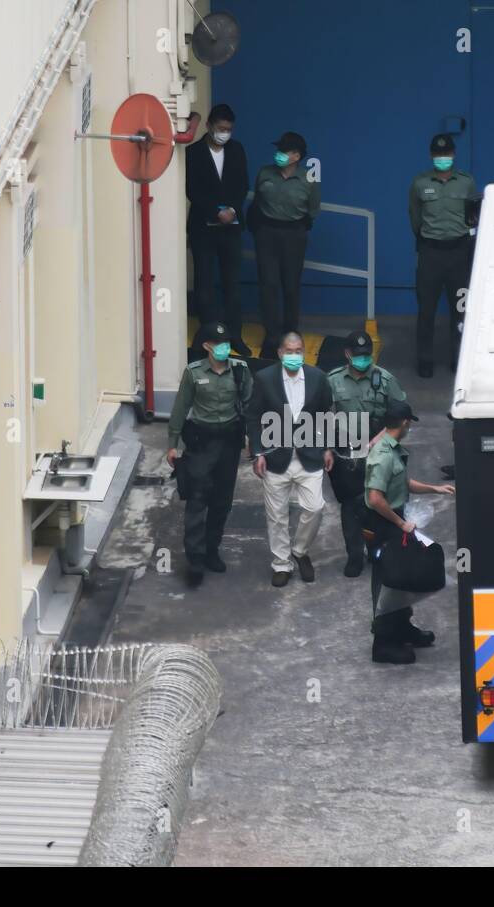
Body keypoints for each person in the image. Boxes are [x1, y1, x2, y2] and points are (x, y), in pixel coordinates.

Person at [362, 400, 455, 664]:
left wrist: (434, 489)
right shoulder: (382, 455)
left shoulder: (392, 451)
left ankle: (402, 627)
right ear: (405, 423)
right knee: (389, 582)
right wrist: (401, 524)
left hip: (394, 520)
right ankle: (383, 644)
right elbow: (376, 498)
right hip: (383, 525)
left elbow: (402, 483)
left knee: (403, 577)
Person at [166, 321, 253, 585]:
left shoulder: (240, 371)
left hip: (228, 444)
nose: (224, 348)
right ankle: (195, 558)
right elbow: (181, 407)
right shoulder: (193, 373)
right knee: (196, 498)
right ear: (206, 346)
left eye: (226, 343)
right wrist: (172, 443)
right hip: (201, 444)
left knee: (222, 500)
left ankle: (212, 550)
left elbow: (249, 405)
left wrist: (252, 438)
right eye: (218, 344)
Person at [246, 331, 333, 587]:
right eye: (289, 351)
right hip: (275, 457)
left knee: (315, 507)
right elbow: (253, 417)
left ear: (303, 352)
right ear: (280, 353)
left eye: (298, 351)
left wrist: (327, 447)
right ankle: (281, 564)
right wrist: (258, 452)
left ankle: (300, 550)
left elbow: (325, 413)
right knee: (276, 516)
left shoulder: (318, 378)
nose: (294, 355)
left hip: (310, 455)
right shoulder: (264, 379)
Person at [328, 330, 406, 578]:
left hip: (379, 452)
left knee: (378, 503)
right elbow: (324, 417)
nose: (362, 360)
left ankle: (377, 550)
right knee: (351, 506)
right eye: (357, 355)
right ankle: (354, 555)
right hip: (347, 455)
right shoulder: (333, 380)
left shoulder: (385, 379)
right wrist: (327, 449)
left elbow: (401, 415)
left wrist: (380, 438)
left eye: (366, 355)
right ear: (347, 354)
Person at [408, 132, 477, 377]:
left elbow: (472, 216)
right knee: (426, 310)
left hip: (459, 254)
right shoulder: (420, 183)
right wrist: (427, 240)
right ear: (431, 156)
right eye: (438, 154)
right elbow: (415, 218)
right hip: (431, 254)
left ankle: (458, 359)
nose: (442, 158)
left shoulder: (466, 182)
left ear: (453, 154)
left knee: (460, 309)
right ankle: (424, 359)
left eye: (446, 154)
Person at [186, 104, 250, 356]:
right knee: (205, 283)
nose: (225, 133)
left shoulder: (237, 150)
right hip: (203, 227)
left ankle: (236, 336)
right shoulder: (193, 153)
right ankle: (209, 336)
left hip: (231, 228)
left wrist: (232, 209)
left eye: (229, 129)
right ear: (209, 126)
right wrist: (215, 212)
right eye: (221, 128)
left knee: (232, 283)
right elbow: (191, 188)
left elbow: (242, 184)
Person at [250, 131, 320, 359]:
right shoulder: (265, 173)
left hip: (294, 235)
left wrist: (296, 227)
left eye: (284, 151)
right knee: (268, 285)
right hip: (267, 233)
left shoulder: (308, 179)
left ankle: (290, 333)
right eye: (278, 150)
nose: (278, 154)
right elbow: (257, 203)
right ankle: (271, 336)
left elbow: (313, 210)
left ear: (296, 155)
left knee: (291, 286)